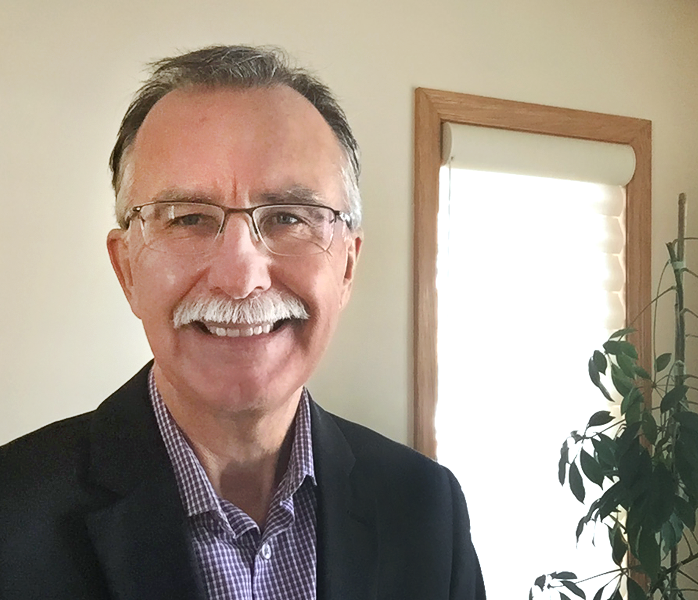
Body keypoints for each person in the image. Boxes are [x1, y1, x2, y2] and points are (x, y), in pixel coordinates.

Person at [0, 45, 485, 600]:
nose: (240, 278)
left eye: (288, 217)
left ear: (347, 267)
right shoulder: (11, 513)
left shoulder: (427, 508)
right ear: (126, 268)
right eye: (187, 218)